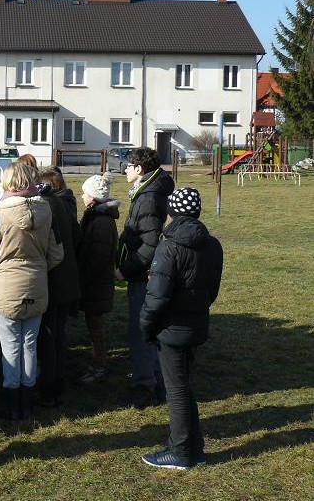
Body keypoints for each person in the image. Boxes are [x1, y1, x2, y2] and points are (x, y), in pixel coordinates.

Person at [140, 188, 223, 469]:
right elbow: (212, 290)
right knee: (183, 386)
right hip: (196, 324)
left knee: (175, 390)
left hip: (171, 329)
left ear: (171, 213)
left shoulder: (169, 247)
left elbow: (156, 296)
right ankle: (191, 445)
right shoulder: (212, 245)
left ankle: (181, 453)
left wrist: (146, 326)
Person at [0, 161, 63, 422]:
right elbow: (57, 253)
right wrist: (38, 267)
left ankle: (12, 402)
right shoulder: (47, 209)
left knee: (10, 346)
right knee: (30, 344)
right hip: (38, 283)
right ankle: (27, 403)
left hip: (6, 286)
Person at [115, 146, 175, 408]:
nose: (125, 170)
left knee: (141, 332)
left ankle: (145, 387)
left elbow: (149, 244)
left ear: (139, 170)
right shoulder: (146, 192)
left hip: (143, 277)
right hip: (142, 274)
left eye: (127, 166)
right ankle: (155, 384)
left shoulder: (148, 198)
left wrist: (125, 269)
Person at [35, 167, 81, 408]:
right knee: (59, 333)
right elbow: (76, 234)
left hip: (53, 278)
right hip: (66, 278)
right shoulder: (64, 204)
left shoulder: (47, 206)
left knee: (49, 335)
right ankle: (58, 380)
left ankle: (49, 387)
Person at [76, 173, 120, 384]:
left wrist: (85, 278)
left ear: (93, 197)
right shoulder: (96, 216)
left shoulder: (101, 221)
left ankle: (99, 364)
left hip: (96, 283)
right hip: (95, 282)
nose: (81, 196)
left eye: (84, 193)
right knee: (93, 325)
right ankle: (97, 361)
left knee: (96, 327)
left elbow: (99, 257)